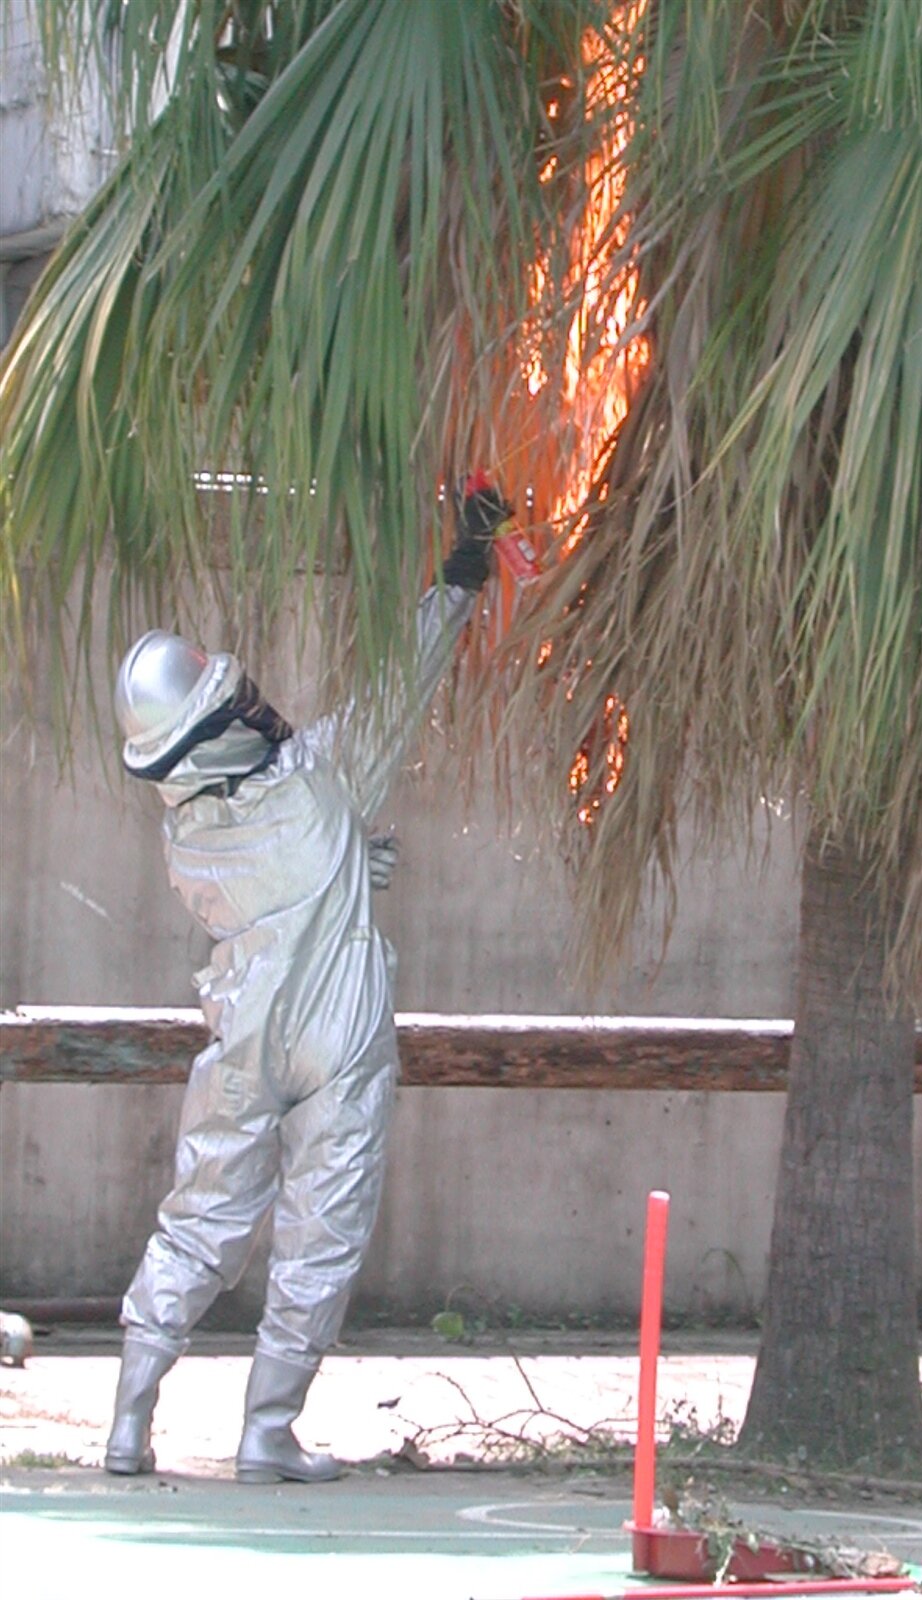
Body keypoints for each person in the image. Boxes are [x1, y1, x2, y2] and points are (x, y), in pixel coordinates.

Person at [104, 479, 510, 1483]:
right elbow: (402, 683)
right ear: (221, 724)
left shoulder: (189, 839)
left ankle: (128, 1421)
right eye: (237, 699)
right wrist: (460, 577)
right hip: (339, 1036)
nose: (257, 703)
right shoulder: (325, 776)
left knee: (200, 1218)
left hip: (241, 1040)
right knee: (320, 1230)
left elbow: (293, 879)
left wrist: (354, 866)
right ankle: (266, 1431)